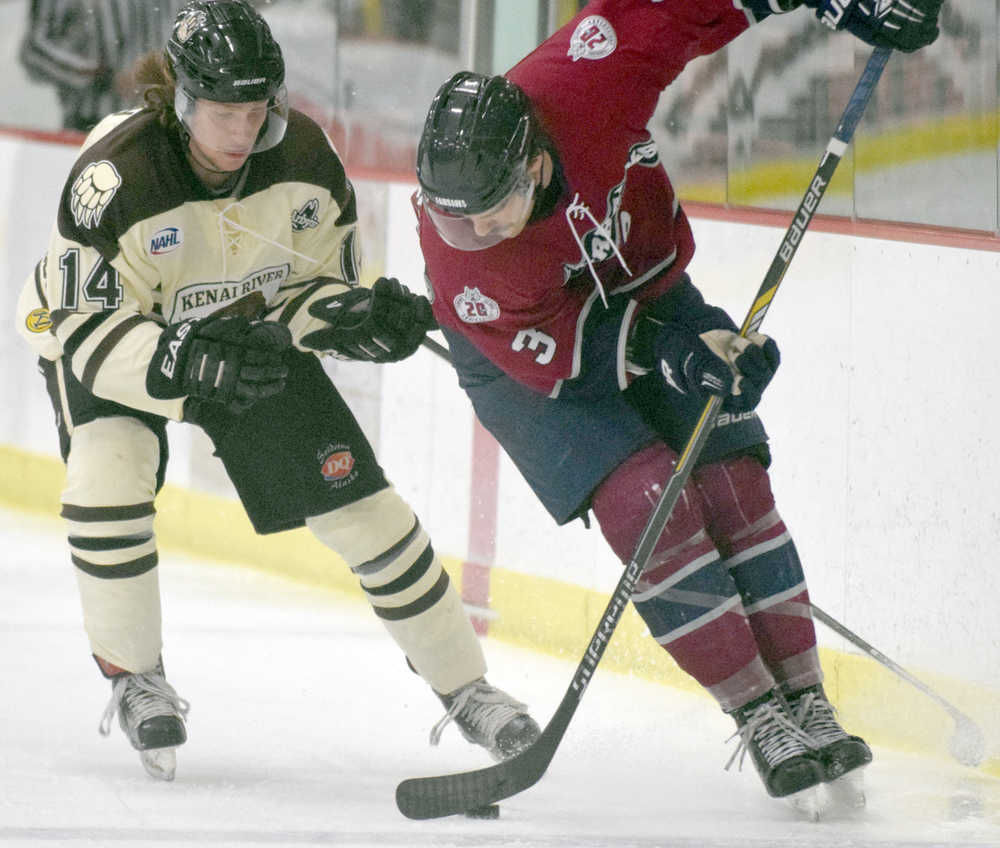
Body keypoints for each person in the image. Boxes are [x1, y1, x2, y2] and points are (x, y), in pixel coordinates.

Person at [391, 0, 943, 808]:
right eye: (456, 216)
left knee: (733, 484)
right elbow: (574, 359)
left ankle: (807, 700)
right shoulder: (468, 264)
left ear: (535, 163)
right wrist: (680, 353)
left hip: (645, 290)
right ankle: (757, 712)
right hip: (528, 366)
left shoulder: (585, 81)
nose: (476, 230)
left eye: (491, 208)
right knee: (652, 499)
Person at [14, 0, 539, 782]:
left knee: (362, 506)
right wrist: (187, 364)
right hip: (126, 349)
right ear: (184, 101)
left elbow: (312, 289)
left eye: (257, 110)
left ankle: (470, 691)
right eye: (224, 112)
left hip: (246, 340)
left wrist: (356, 317)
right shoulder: (112, 177)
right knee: (107, 469)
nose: (241, 132)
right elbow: (87, 335)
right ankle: (136, 677)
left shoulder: (304, 159)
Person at [19, 0, 184, 132]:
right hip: (93, 126)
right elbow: (36, 49)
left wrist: (178, 73)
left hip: (170, 126)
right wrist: (102, 76)